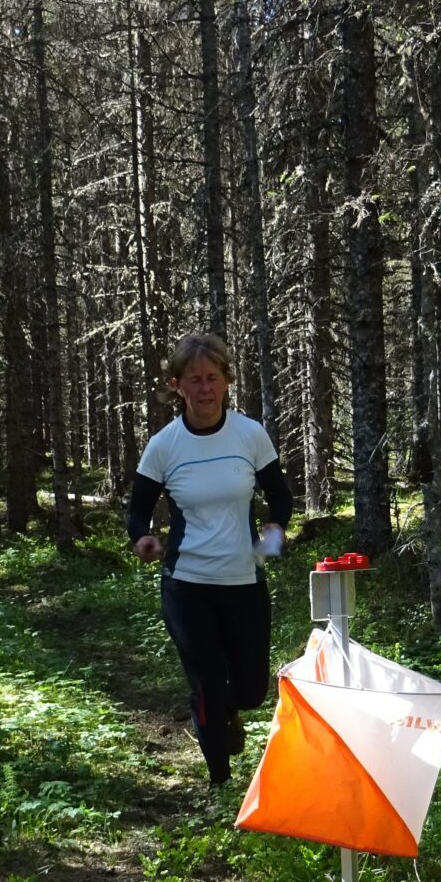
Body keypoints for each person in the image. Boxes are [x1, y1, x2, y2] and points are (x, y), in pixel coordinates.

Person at [126, 332, 293, 787]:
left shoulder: (249, 434)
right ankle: (221, 784)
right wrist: (142, 537)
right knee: (205, 683)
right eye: (194, 380)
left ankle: (227, 713)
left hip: (243, 580)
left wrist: (275, 528)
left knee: (250, 690)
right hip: (187, 582)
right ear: (177, 385)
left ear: (226, 381)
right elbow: (137, 509)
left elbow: (280, 494)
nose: (205, 389)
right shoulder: (165, 445)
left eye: (213, 378)